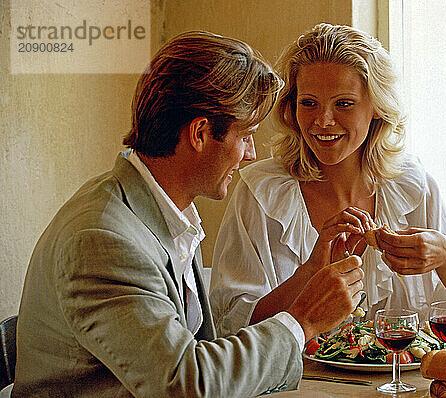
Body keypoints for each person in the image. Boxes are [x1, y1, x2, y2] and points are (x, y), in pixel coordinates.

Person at [12, 31, 364, 397]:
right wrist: (302, 321)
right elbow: (185, 384)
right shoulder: (103, 240)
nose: (251, 155)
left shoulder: (164, 211)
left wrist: (308, 278)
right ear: (199, 133)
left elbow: (198, 357)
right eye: (246, 136)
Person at [209, 23, 446, 338]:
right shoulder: (261, 191)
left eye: (343, 103)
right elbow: (232, 327)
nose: (323, 120)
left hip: (402, 385)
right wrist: (311, 274)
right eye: (308, 103)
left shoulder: (412, 186)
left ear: (377, 108)